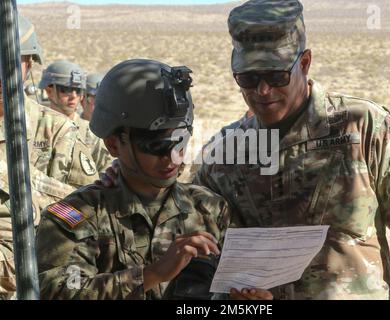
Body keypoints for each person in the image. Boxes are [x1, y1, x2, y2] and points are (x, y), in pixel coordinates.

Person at [192, 0, 390, 299]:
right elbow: (202, 267)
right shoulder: (225, 154)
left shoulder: (363, 127)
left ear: (304, 63)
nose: (263, 91)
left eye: (277, 76)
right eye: (249, 78)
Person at [35, 59, 230, 300]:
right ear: (114, 143)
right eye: (156, 146)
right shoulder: (75, 217)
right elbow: (60, 291)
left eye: (180, 142)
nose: (172, 158)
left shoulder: (209, 209)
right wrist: (151, 275)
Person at [0, 14, 90, 299]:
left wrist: (30, 194)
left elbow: (86, 217)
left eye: (11, 60)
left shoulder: (58, 132)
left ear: (28, 65)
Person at [39, 61, 113, 174]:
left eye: (78, 90)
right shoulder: (36, 128)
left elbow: (107, 173)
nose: (73, 96)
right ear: (49, 91)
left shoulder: (92, 133)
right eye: (66, 89)